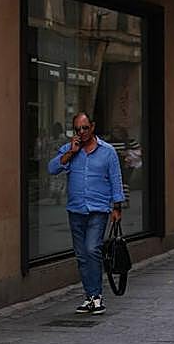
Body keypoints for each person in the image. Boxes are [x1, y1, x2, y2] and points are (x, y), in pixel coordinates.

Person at [48, 113, 124, 315]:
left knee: (92, 249)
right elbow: (52, 168)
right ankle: (90, 297)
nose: (81, 133)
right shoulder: (71, 149)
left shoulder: (107, 152)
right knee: (82, 256)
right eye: (77, 129)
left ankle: (97, 296)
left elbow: (115, 179)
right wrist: (70, 153)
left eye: (85, 128)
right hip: (76, 210)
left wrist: (117, 207)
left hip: (98, 210)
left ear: (92, 126)